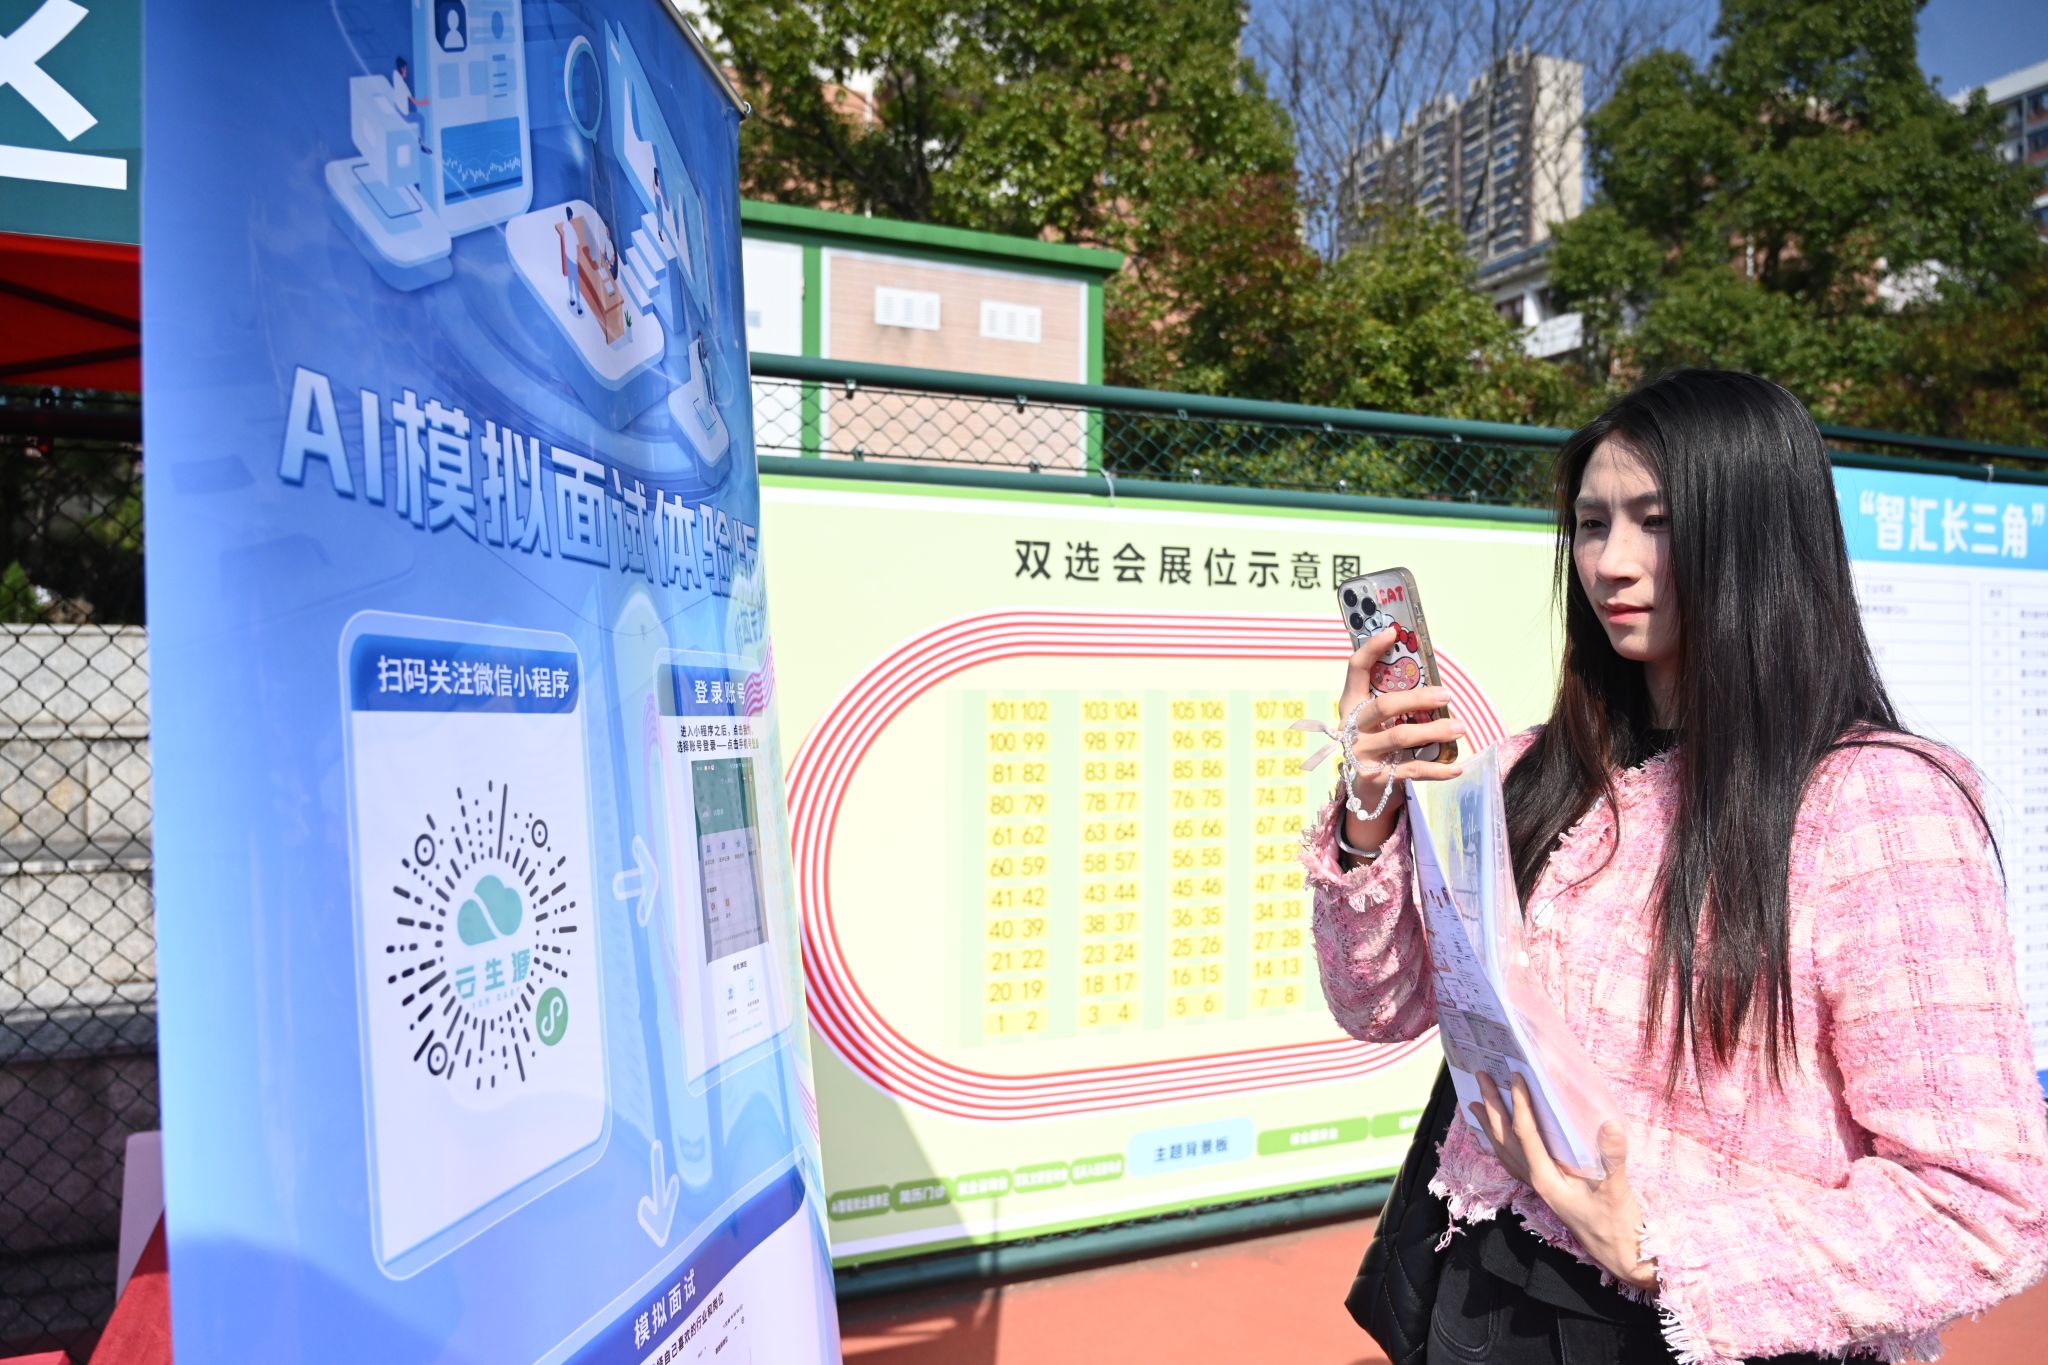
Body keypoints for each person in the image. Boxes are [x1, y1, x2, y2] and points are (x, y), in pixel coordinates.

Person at [1303, 370, 2048, 1364]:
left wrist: (1664, 1250)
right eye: (1590, 524)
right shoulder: (1531, 771)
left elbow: (1981, 1202)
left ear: (1758, 534)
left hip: (1702, 1332)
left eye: (1656, 522)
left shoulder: (1876, 805)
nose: (1610, 563)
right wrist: (1369, 810)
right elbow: (1380, 1004)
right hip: (1473, 1291)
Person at [560, 206, 584, 316]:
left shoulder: (565, 226)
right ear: (571, 216)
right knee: (576, 283)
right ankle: (578, 307)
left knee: (570, 280)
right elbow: (578, 246)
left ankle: (571, 299)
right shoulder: (572, 230)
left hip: (568, 257)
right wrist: (578, 258)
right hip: (573, 259)